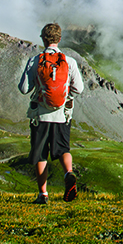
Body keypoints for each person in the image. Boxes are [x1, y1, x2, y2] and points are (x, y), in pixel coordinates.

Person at [18, 22, 85, 203]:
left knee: (41, 154)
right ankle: (68, 174)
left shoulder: (35, 60)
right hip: (62, 115)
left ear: (43, 39)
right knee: (63, 149)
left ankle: (43, 194)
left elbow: (24, 88)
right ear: (59, 39)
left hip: (40, 115)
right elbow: (79, 88)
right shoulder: (68, 61)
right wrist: (65, 96)